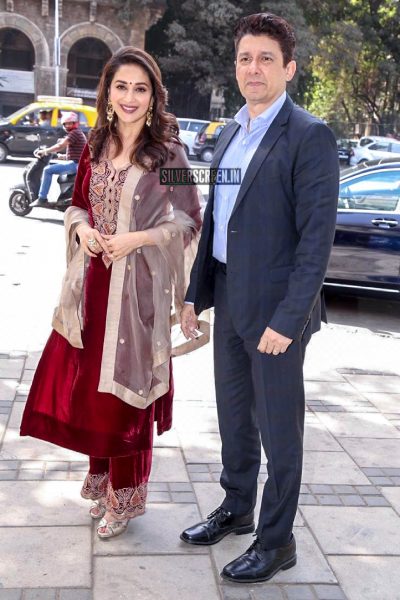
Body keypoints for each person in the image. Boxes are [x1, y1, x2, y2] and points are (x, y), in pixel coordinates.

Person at [180, 13, 339, 583]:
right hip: (227, 300)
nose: (254, 68)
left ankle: (277, 541)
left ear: (288, 68)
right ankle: (236, 508)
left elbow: (317, 239)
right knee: (234, 420)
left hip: (276, 315)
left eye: (266, 58)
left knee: (280, 431)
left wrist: (290, 318)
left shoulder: (309, 135)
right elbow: (218, 222)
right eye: (246, 57)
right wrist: (194, 296)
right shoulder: (227, 133)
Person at [20, 46, 202, 539]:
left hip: (137, 290)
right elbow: (77, 205)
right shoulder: (94, 145)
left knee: (128, 394)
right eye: (120, 86)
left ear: (153, 97)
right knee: (96, 392)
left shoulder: (169, 153)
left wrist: (137, 239)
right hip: (93, 287)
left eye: (140, 88)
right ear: (107, 92)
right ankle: (100, 481)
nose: (129, 97)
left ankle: (126, 497)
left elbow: (189, 218)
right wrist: (84, 231)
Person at [34, 112, 86, 206]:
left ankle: (42, 199)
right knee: (53, 167)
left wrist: (45, 151)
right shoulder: (77, 132)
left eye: (70, 123)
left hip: (76, 165)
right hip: (78, 164)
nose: (68, 125)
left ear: (75, 123)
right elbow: (78, 153)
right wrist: (62, 157)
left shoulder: (74, 133)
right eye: (66, 123)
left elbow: (60, 145)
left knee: (47, 170)